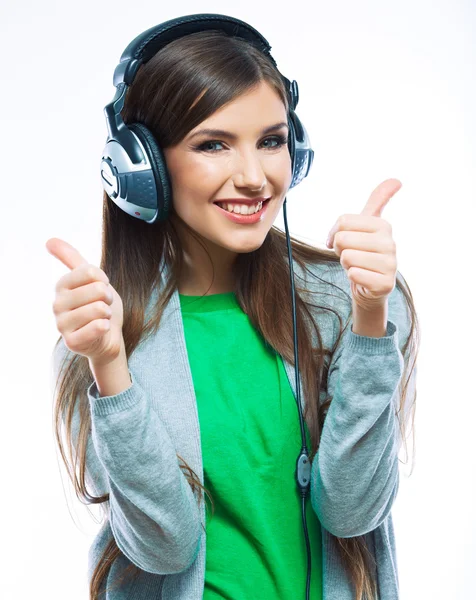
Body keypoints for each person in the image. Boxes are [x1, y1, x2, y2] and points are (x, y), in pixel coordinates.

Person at [48, 19, 419, 600]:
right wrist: (111, 368)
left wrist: (371, 322)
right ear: (142, 169)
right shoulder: (96, 340)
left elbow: (351, 512)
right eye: (213, 144)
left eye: (271, 141)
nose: (254, 177)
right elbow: (163, 545)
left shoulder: (346, 302)